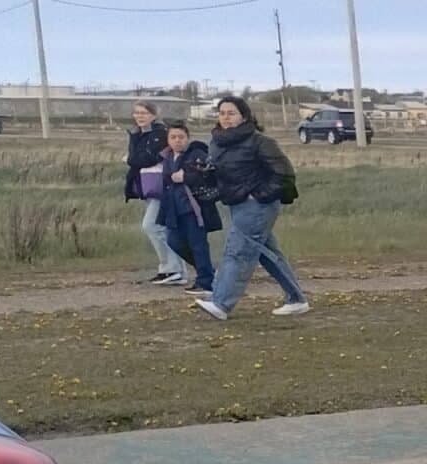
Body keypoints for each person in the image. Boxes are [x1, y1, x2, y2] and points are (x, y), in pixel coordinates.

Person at [196, 97, 310, 321]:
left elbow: (284, 173)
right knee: (266, 253)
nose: (226, 117)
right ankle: (297, 299)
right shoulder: (217, 143)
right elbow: (226, 175)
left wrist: (259, 194)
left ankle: (221, 303)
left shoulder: (260, 142)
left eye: (231, 113)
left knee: (237, 250)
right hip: (236, 204)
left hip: (258, 205)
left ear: (244, 116)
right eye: (222, 113)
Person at [155, 123, 220, 297]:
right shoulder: (167, 157)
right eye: (173, 137)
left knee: (198, 245)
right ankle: (208, 272)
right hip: (174, 208)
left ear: (187, 138)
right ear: (168, 140)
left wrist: (187, 177)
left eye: (181, 137)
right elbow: (167, 183)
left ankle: (205, 282)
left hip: (194, 208)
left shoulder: (197, 154)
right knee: (173, 241)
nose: (177, 141)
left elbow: (211, 175)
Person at [126, 102, 184, 286]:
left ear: (153, 115)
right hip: (149, 185)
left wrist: (131, 159)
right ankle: (174, 269)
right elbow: (138, 159)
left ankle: (172, 269)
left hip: (162, 185)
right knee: (163, 227)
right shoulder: (138, 135)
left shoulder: (160, 134)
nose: (139, 116)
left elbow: (146, 158)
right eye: (137, 113)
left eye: (144, 113)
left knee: (152, 226)